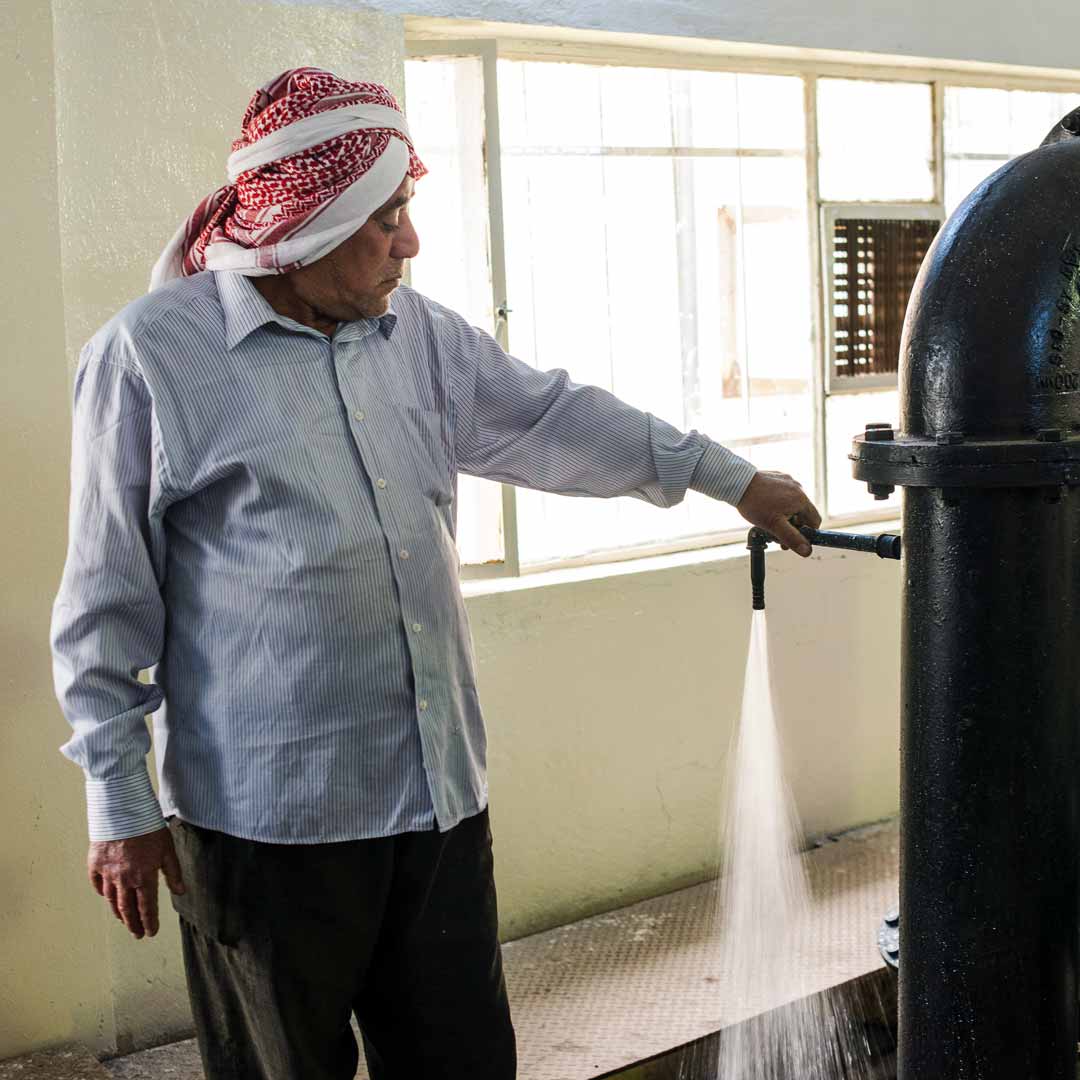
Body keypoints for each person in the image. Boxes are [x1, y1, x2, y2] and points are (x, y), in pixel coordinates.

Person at [49, 67, 821, 1080]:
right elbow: (106, 604)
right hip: (267, 830)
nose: (409, 243)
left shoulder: (414, 336)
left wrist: (728, 477)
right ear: (306, 221)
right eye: (388, 219)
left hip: (435, 808)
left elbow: (551, 418)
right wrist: (120, 805)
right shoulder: (153, 359)